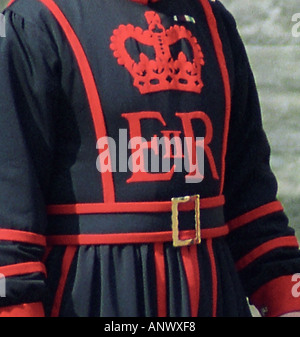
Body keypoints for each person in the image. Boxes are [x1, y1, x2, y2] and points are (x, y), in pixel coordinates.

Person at [0, 0, 300, 317]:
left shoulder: (214, 19)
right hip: (92, 292)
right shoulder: (32, 21)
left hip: (214, 293)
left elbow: (251, 203)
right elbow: (9, 218)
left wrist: (288, 303)